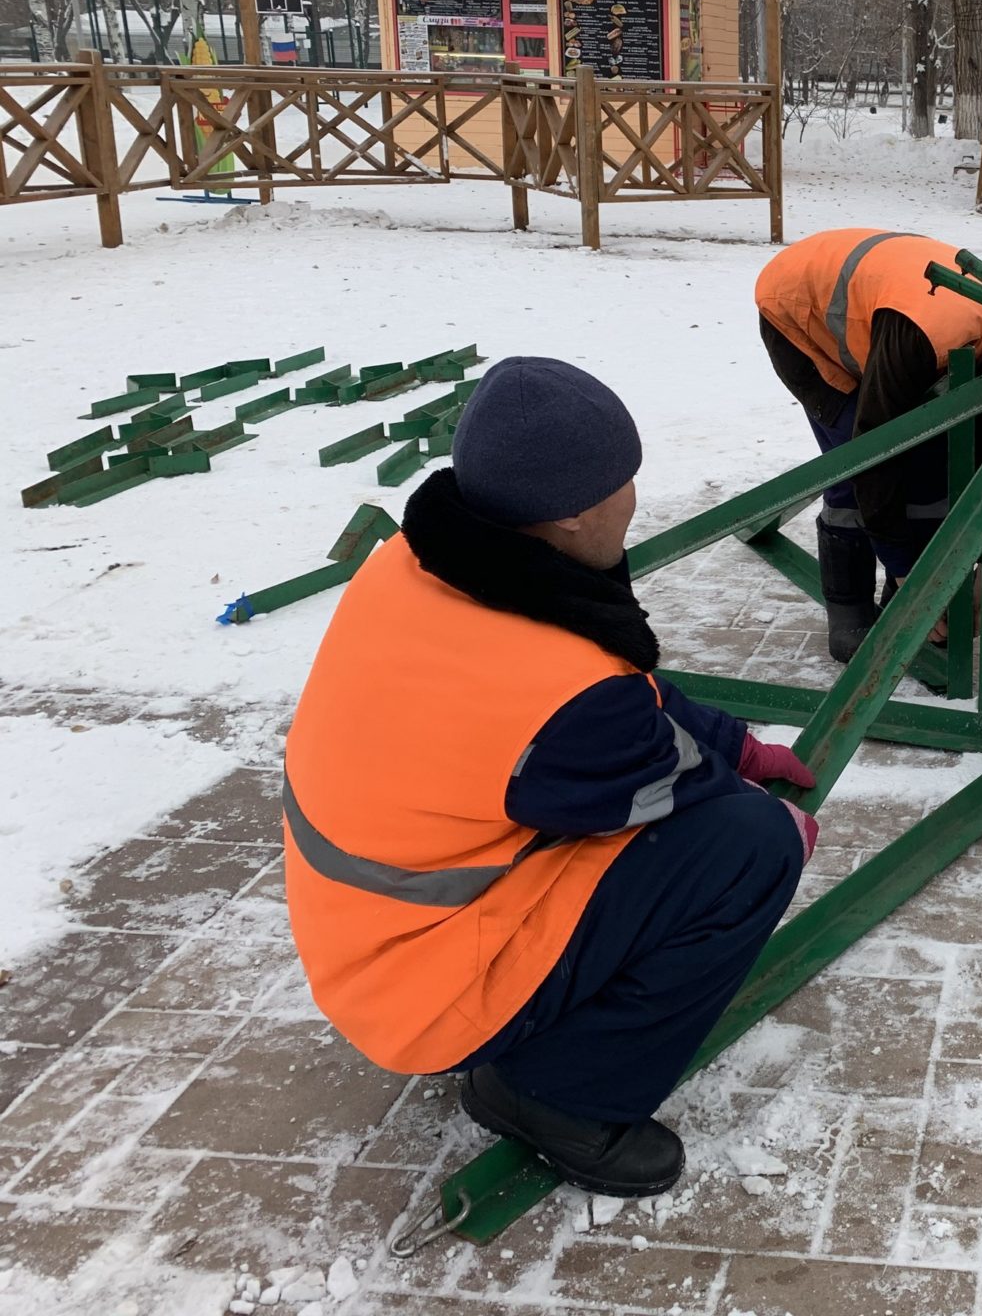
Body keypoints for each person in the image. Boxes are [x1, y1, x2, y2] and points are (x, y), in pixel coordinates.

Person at [282, 357, 819, 1197]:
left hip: (364, 931)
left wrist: (738, 745)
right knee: (749, 847)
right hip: (420, 985)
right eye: (624, 485)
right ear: (570, 515)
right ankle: (555, 1096)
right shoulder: (558, 696)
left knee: (722, 821)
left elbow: (617, 693)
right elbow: (651, 762)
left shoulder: (422, 564)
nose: (633, 502)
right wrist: (761, 806)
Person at [755, 228, 982, 661]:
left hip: (888, 300)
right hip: (799, 309)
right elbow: (873, 454)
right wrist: (906, 571)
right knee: (854, 465)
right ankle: (850, 608)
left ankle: (918, 597)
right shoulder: (925, 339)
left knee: (932, 461)